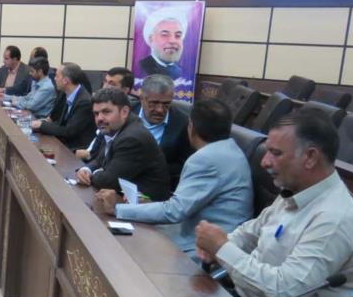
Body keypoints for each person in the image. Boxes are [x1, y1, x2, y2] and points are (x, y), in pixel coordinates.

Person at [195, 110, 353, 297]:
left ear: (310, 157)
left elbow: (285, 293)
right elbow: (252, 232)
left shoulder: (336, 219)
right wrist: (219, 244)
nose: (264, 161)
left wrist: (222, 249)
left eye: (275, 153)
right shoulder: (297, 190)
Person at [96, 99, 252, 253]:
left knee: (120, 247)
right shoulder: (231, 150)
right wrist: (142, 204)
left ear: (191, 127)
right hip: (202, 233)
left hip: (203, 247)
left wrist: (118, 209)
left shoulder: (206, 159)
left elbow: (174, 211)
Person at [75, 88, 171, 201]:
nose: (99, 118)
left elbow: (108, 181)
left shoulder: (132, 138)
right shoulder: (113, 127)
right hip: (124, 199)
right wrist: (86, 170)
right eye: (96, 113)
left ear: (124, 112)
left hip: (147, 206)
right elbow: (100, 160)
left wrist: (93, 174)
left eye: (106, 112)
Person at [137, 74, 192, 187]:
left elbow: (185, 164)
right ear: (142, 99)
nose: (160, 110)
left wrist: (151, 168)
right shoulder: (126, 114)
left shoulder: (182, 123)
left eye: (166, 104)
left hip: (160, 185)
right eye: (154, 103)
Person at [30, 63, 95, 150]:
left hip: (75, 148)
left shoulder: (84, 102)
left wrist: (42, 125)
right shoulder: (64, 93)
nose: (54, 78)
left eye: (57, 76)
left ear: (65, 80)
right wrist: (41, 123)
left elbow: (69, 131)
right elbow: (55, 119)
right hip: (62, 141)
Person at [139, 10, 186, 80]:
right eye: (164, 35)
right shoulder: (141, 67)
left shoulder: (183, 71)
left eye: (178, 35)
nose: (172, 41)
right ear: (151, 39)